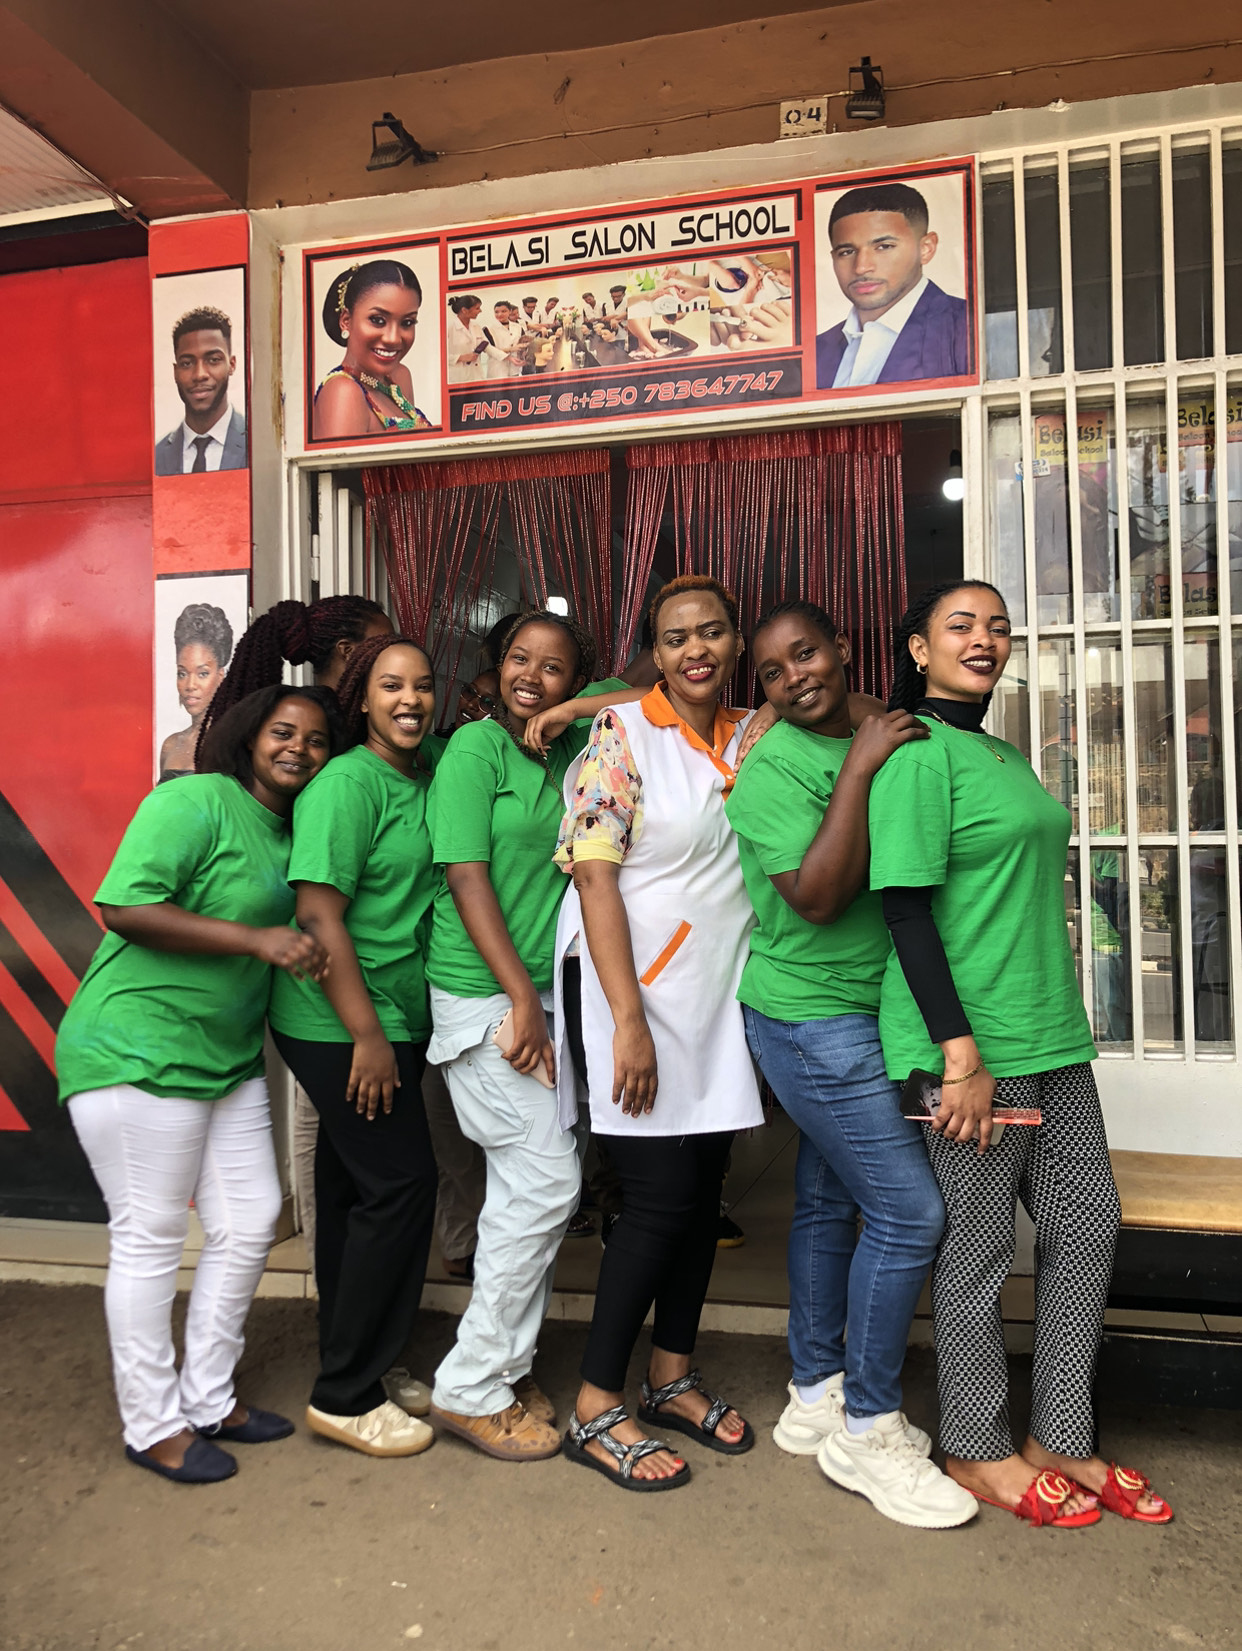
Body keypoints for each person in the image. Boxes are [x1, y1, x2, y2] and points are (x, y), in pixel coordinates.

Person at [868, 580, 1170, 1527]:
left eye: (997, 626)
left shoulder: (1001, 753)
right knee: (980, 1245)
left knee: (1087, 1224)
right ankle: (974, 1443)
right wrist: (959, 1052)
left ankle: (1060, 1435)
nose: (984, 639)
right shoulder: (917, 755)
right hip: (968, 1045)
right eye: (960, 625)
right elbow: (904, 909)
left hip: (1049, 1031)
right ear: (919, 648)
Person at [727, 600, 977, 1529]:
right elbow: (822, 896)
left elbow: (874, 712)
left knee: (832, 1197)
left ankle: (814, 1388)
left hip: (876, 1007)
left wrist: (869, 735)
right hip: (810, 1018)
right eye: (772, 671)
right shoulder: (770, 770)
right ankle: (868, 1427)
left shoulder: (873, 718)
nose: (794, 676)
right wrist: (863, 767)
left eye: (807, 653)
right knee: (909, 1212)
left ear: (841, 648)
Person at [55, 684, 341, 1484]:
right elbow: (123, 905)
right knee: (149, 1236)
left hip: (227, 1057)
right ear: (249, 738)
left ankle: (209, 1397)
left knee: (249, 1219)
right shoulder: (196, 800)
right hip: (138, 1046)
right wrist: (256, 939)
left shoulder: (295, 829)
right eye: (283, 731)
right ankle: (152, 1424)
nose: (298, 748)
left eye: (317, 739)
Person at [549, 575, 764, 1491]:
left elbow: (858, 707)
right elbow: (595, 875)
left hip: (713, 994)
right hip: (631, 990)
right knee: (655, 1203)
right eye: (676, 638)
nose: (695, 650)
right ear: (655, 655)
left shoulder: (753, 733)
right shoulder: (622, 733)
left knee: (701, 1194)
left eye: (712, 631)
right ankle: (596, 1402)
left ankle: (670, 1375)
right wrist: (627, 1022)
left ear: (737, 641)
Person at [425, 612, 628, 1461]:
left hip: (540, 993)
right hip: (485, 994)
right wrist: (519, 997)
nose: (531, 677)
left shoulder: (569, 744)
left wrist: (575, 708)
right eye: (518, 659)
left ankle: (503, 1369)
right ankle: (470, 1385)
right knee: (546, 1184)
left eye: (553, 667)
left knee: (527, 1188)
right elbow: (466, 877)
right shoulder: (475, 751)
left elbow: (643, 695)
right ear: (494, 665)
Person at [270, 637, 443, 1457]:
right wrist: (366, 1034)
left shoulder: (423, 771)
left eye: (423, 685)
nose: (410, 699)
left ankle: (361, 1359)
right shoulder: (346, 782)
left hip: (393, 1010)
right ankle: (345, 1393)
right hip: (339, 1018)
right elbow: (317, 912)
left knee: (351, 1192)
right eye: (391, 685)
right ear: (363, 700)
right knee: (403, 1184)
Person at [815, 182, 970, 390]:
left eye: (884, 247)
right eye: (847, 252)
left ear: (926, 249)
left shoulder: (970, 327)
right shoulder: (816, 351)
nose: (861, 267)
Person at [313, 260, 432, 440]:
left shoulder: (399, 378)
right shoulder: (343, 393)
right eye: (378, 320)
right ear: (346, 321)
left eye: (407, 323)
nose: (393, 338)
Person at [155, 307, 247, 474]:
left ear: (232, 365)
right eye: (187, 363)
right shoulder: (157, 457)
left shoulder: (257, 445)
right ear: (175, 372)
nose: (199, 375)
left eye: (213, 360)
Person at [159, 603, 234, 781]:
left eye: (202, 674)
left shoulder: (231, 743)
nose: (190, 685)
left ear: (220, 676)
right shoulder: (170, 745)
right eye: (182, 673)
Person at [446, 295, 489, 383]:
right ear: (464, 310)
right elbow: (438, 358)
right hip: (458, 377)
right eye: (477, 308)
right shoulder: (448, 328)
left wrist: (507, 357)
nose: (480, 311)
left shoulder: (476, 326)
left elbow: (487, 346)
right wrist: (460, 358)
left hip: (477, 375)